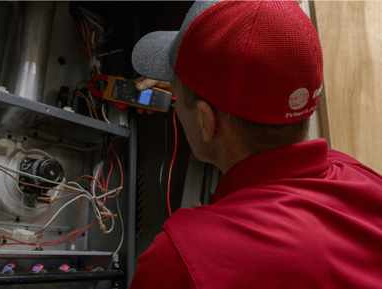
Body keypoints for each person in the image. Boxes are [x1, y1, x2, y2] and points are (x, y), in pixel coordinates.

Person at [129, 1, 382, 288]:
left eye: (176, 94)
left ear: (205, 120)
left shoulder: (182, 261)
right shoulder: (363, 179)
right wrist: (194, 92)